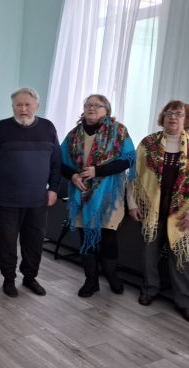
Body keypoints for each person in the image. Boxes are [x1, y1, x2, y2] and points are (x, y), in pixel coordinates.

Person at [128, 100, 189, 324]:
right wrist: (133, 204)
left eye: (178, 114)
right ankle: (149, 289)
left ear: (187, 119)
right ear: (162, 117)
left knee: (181, 255)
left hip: (182, 209)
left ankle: (185, 302)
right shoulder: (148, 143)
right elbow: (133, 176)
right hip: (152, 205)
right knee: (149, 251)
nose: (173, 117)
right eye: (169, 113)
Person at [0, 88, 61, 298]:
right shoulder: (0, 129)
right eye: (18, 104)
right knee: (6, 242)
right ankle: (8, 279)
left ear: (37, 106)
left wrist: (53, 188)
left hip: (37, 199)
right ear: (12, 107)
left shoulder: (48, 128)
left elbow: (56, 163)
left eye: (27, 104)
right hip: (7, 199)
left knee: (34, 242)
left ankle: (30, 277)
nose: (23, 109)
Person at [60, 94, 135, 298]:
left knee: (108, 237)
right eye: (88, 105)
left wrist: (97, 171)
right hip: (81, 193)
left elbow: (128, 160)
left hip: (109, 195)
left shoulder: (119, 131)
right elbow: (60, 162)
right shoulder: (74, 134)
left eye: (97, 105)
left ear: (106, 110)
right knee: (85, 237)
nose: (91, 108)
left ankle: (111, 275)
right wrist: (73, 175)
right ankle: (91, 280)